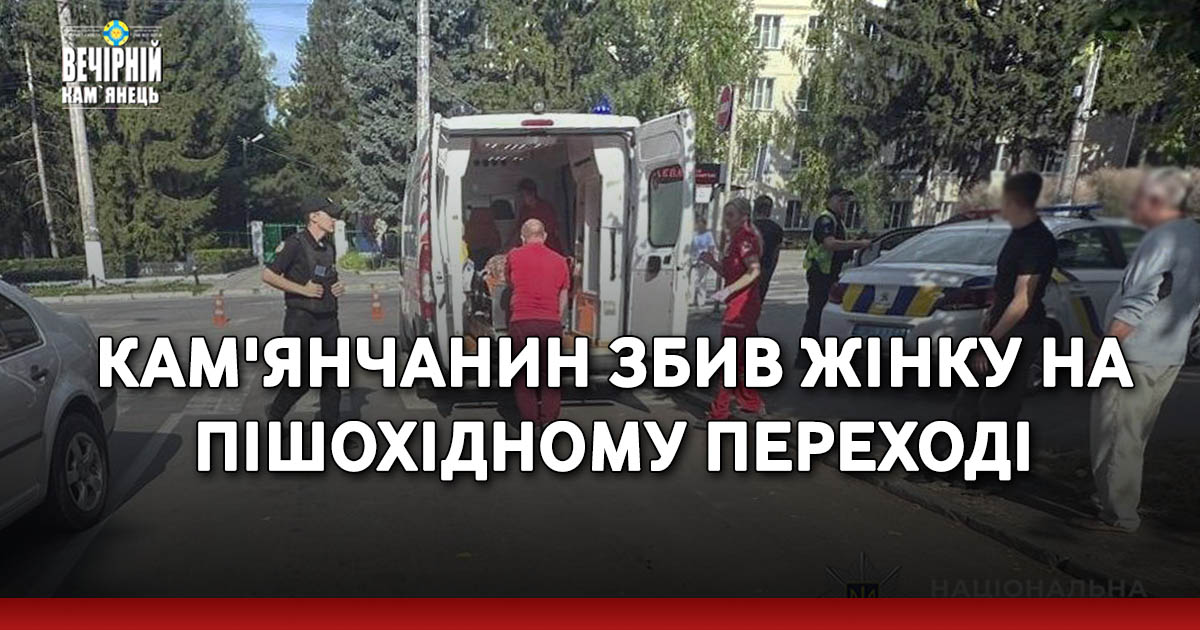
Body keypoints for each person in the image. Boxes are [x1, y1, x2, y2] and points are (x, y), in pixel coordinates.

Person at [1079, 168, 1200, 533]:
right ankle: (1111, 499)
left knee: (1116, 436)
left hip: (1134, 353)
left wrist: (1106, 347)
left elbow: (1141, 298)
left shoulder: (1163, 238)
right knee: (1134, 435)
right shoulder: (1194, 236)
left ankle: (1119, 514)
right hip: (1168, 353)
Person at [950, 172, 1056, 458]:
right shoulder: (1018, 235)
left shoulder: (1037, 241)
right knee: (970, 394)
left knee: (998, 404)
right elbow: (1006, 287)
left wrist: (990, 342)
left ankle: (991, 466)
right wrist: (990, 318)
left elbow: (1023, 299)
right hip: (1001, 326)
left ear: (1017, 202)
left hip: (1019, 330)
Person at [262, 197, 346, 426]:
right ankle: (275, 415)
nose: (334, 220)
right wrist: (303, 290)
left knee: (332, 379)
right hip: (302, 321)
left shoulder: (328, 246)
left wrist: (338, 286)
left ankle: (331, 431)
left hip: (329, 320)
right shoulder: (295, 244)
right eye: (330, 215)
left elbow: (328, 275)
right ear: (314, 217)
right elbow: (268, 275)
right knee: (302, 379)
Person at [697, 198, 766, 423]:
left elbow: (754, 271)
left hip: (742, 307)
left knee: (729, 359)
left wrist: (728, 291)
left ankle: (719, 413)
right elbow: (731, 273)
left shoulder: (745, 239)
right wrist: (712, 262)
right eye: (725, 214)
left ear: (744, 216)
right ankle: (751, 403)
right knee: (742, 358)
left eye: (730, 215)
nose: (726, 220)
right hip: (740, 304)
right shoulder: (736, 239)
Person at [506, 218, 570, 426]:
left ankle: (530, 420)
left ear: (522, 237)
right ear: (545, 236)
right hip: (550, 322)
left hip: (522, 321)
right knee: (550, 373)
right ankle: (549, 420)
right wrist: (558, 319)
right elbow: (563, 295)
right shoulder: (560, 260)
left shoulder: (513, 255)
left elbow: (510, 283)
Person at [798, 188, 870, 358]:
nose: (844, 204)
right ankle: (805, 356)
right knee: (816, 314)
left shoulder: (836, 220)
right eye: (840, 200)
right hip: (820, 273)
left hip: (829, 273)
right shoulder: (826, 220)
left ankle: (814, 353)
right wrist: (858, 244)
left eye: (846, 201)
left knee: (823, 314)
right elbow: (830, 244)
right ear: (830, 200)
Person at [513, 178, 564, 254]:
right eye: (521, 196)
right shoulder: (524, 210)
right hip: (530, 249)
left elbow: (552, 230)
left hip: (550, 249)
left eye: (524, 195)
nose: (522, 199)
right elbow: (519, 229)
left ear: (533, 194)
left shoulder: (546, 208)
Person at [753, 195, 784, 300]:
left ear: (756, 209)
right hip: (765, 270)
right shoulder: (777, 229)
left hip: (746, 270)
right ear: (769, 210)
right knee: (758, 301)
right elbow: (775, 255)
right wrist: (769, 273)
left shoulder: (747, 226)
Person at [690, 216, 717, 306]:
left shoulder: (708, 235)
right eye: (698, 223)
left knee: (702, 281)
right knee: (692, 280)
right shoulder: (694, 234)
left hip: (704, 260)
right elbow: (691, 247)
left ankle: (701, 301)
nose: (698, 225)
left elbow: (711, 247)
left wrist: (709, 261)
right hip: (694, 260)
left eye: (700, 223)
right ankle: (690, 300)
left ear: (704, 225)